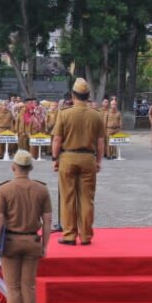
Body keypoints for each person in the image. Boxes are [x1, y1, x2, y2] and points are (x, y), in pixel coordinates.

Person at [0, 150, 51, 303]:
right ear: (31, 168)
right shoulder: (41, 189)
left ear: (13, 167)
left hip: (10, 242)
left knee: (13, 288)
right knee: (29, 287)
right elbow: (48, 220)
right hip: (32, 241)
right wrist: (45, 245)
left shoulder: (4, 189)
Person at [51, 78, 104, 245]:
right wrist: (98, 161)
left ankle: (69, 235)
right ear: (88, 96)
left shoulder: (64, 113)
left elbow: (57, 139)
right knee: (87, 198)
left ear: (73, 95)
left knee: (68, 197)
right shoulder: (96, 115)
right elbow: (101, 142)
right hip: (88, 158)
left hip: (68, 157)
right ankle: (86, 235)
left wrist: (55, 158)